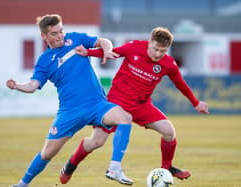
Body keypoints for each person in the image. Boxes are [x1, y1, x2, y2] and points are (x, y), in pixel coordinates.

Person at [6, 14, 132, 187]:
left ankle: (114, 168)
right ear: (44, 36)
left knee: (125, 118)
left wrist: (108, 49)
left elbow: (103, 41)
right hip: (70, 112)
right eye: (54, 33)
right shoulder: (45, 60)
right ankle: (22, 184)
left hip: (97, 105)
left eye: (60, 31)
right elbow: (33, 85)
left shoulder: (75, 39)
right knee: (48, 153)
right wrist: (17, 86)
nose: (59, 36)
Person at [75, 27, 209, 185]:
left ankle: (167, 168)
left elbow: (180, 83)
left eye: (163, 51)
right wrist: (88, 52)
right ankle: (72, 164)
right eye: (155, 49)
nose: (158, 54)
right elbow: (113, 53)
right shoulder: (134, 47)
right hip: (116, 103)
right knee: (96, 142)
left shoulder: (168, 64)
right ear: (149, 43)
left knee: (169, 132)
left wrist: (196, 102)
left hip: (141, 106)